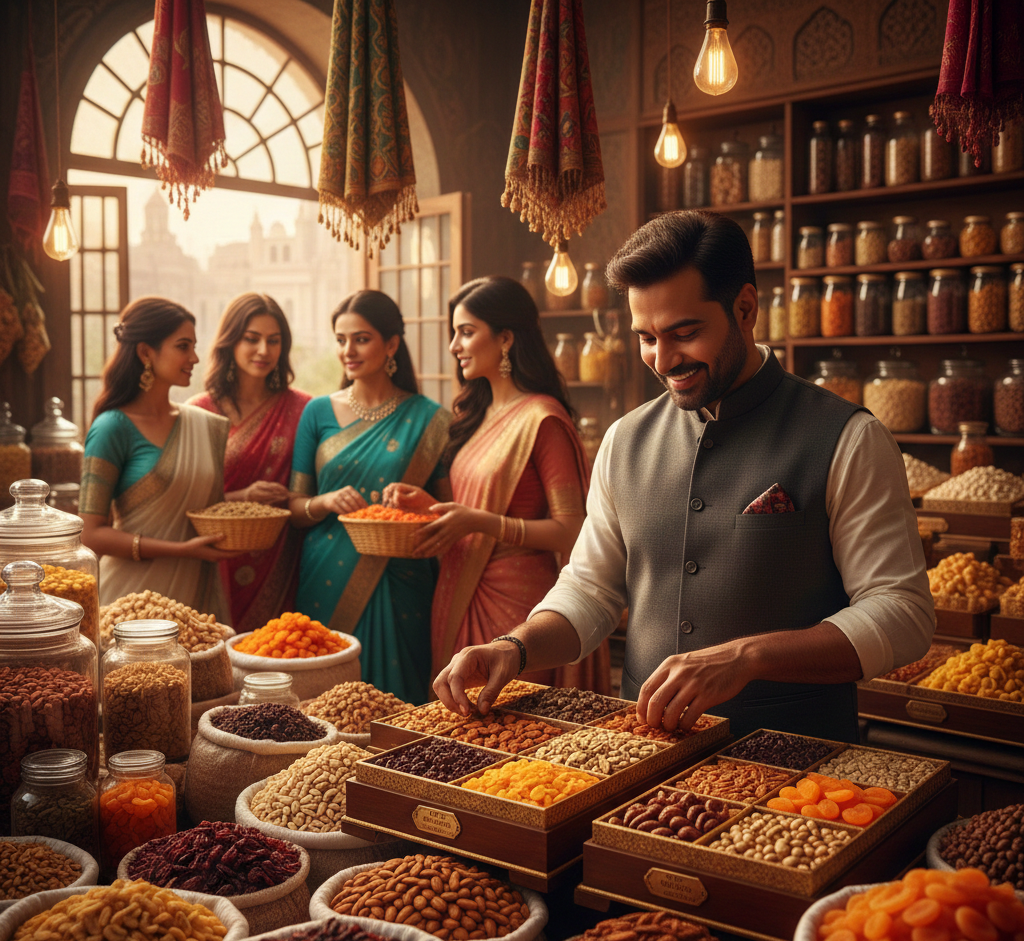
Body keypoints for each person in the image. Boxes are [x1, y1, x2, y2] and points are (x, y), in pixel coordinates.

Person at [431, 213, 934, 742]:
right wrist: (516, 646)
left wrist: (747, 657)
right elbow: (590, 589)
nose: (663, 359)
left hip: (803, 765)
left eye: (684, 333)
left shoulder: (849, 437)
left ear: (745, 308)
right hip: (642, 756)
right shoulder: (624, 441)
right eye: (646, 337)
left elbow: (903, 615)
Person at [388, 275, 610, 692]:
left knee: (510, 727)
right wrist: (429, 506)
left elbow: (572, 530)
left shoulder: (542, 419)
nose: (454, 346)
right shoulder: (477, 414)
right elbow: (474, 505)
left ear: (506, 338)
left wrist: (480, 522)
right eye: (454, 333)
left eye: (466, 332)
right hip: (459, 589)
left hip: (515, 601)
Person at [287, 290, 451, 703]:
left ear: (391, 344)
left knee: (401, 700)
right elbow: (295, 507)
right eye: (341, 340)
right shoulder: (318, 413)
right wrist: (324, 502)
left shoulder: (429, 419)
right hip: (327, 571)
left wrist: (415, 500)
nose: (348, 351)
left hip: (402, 576)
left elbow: (446, 509)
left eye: (361, 339)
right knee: (326, 702)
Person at [80, 296, 233, 617]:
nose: (194, 357)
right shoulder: (112, 427)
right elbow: (90, 532)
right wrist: (181, 551)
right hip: (131, 602)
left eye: (194, 346)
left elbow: (189, 501)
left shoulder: (200, 424)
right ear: (145, 352)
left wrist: (246, 498)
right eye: (182, 346)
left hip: (194, 602)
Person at [187, 293, 311, 632]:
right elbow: (185, 502)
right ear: (230, 341)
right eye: (251, 339)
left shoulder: (304, 409)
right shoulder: (199, 412)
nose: (263, 351)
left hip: (283, 557)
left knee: (280, 649)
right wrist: (242, 498)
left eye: (274, 341)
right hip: (217, 557)